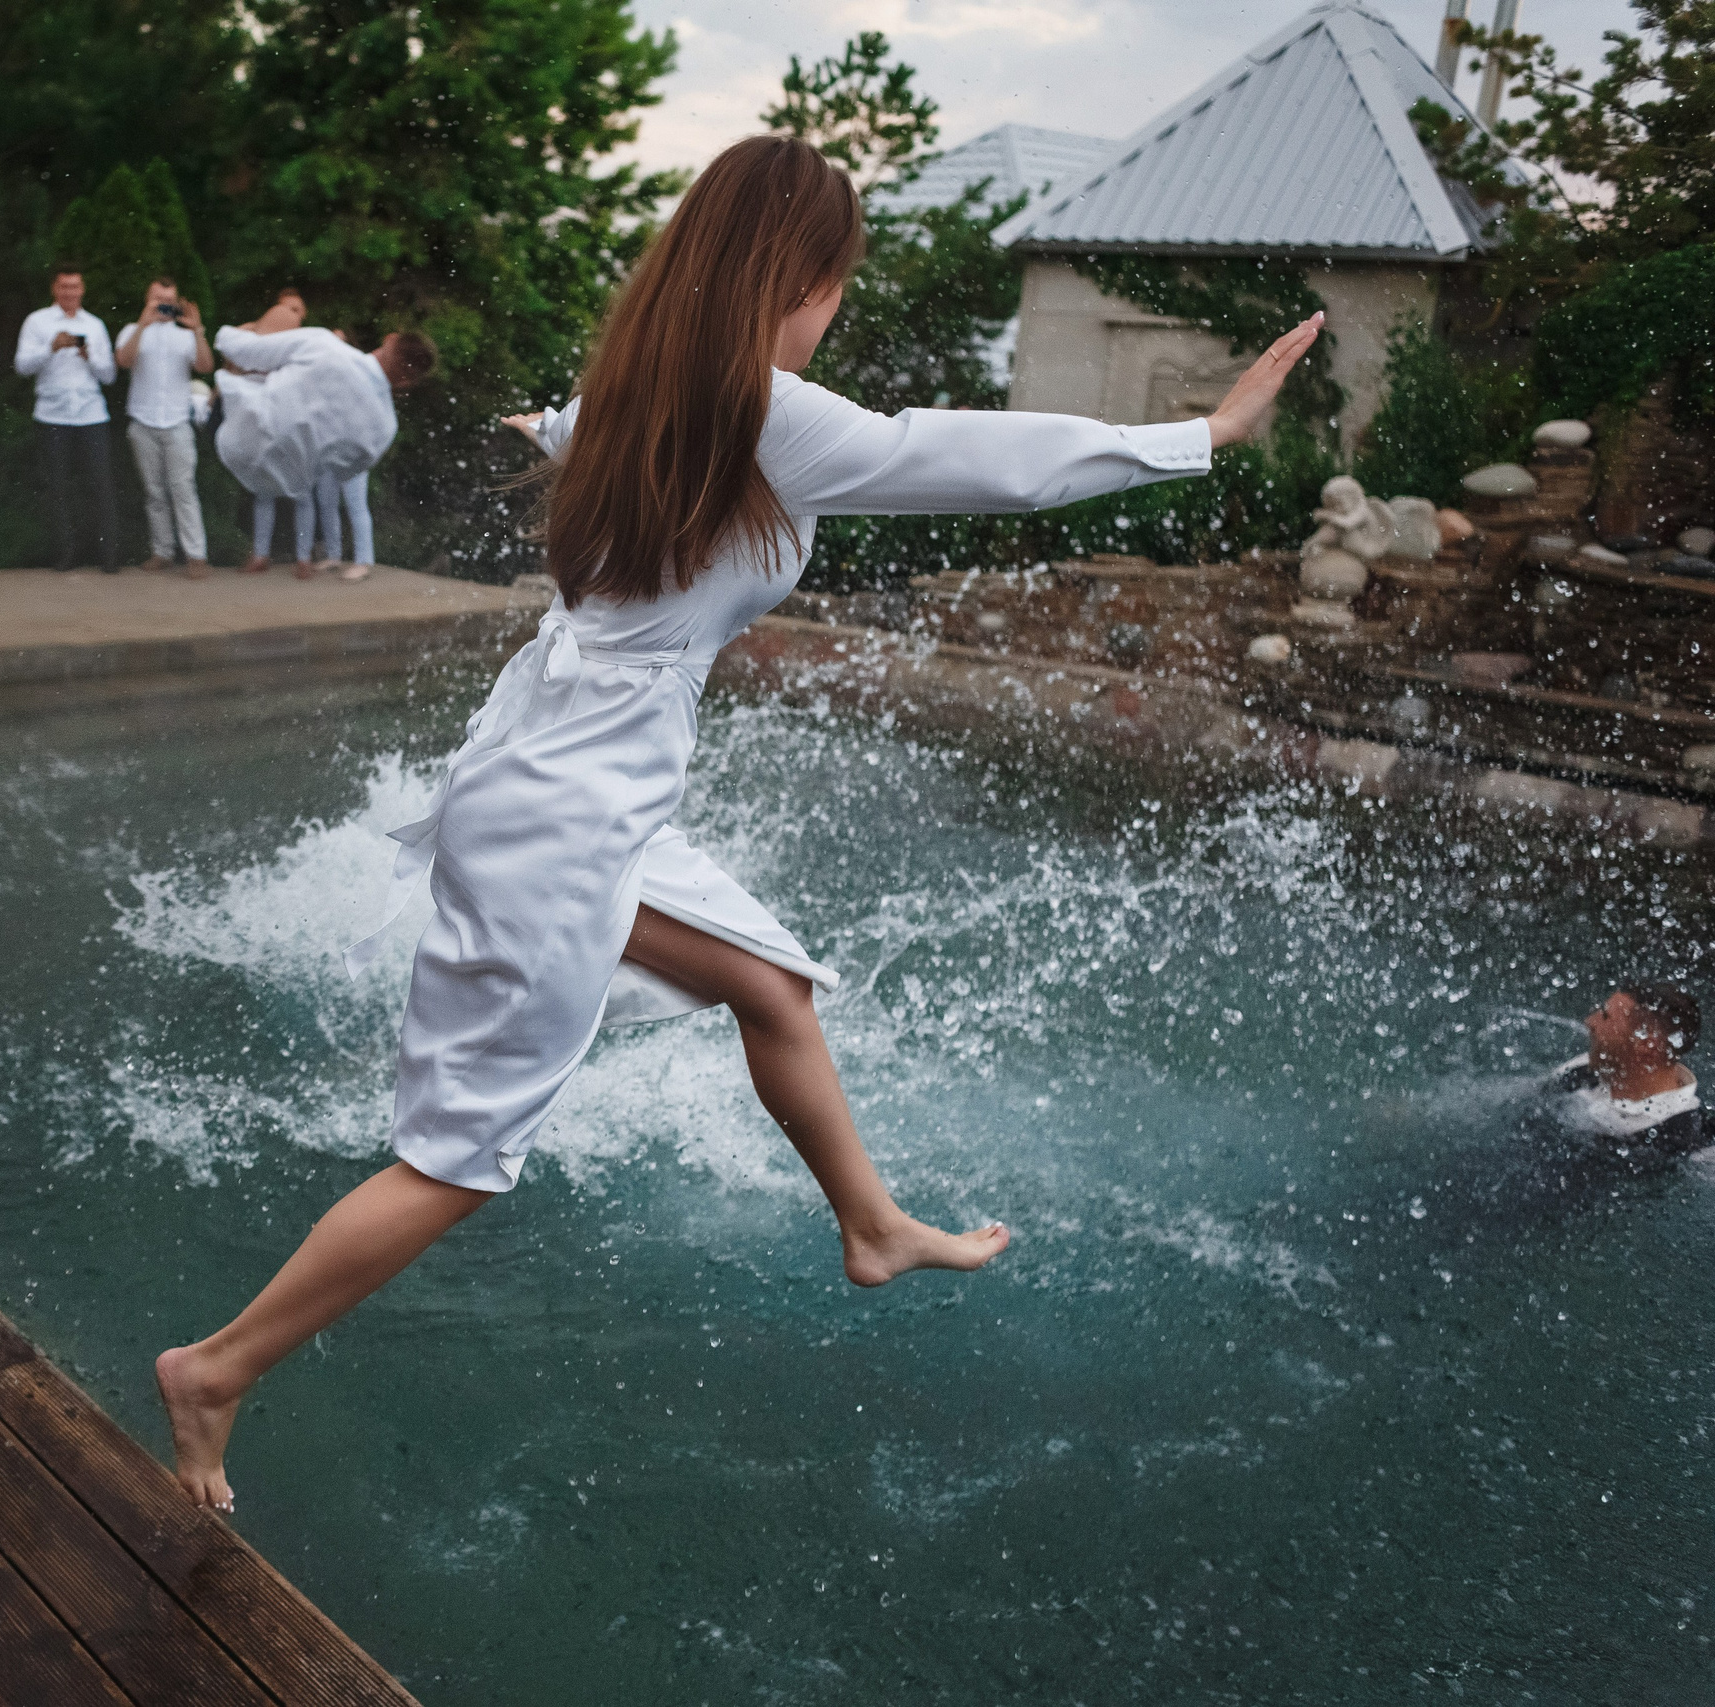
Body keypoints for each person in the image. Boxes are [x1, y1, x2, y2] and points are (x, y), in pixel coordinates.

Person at [153, 135, 1326, 1512]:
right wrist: (1205, 429)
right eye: (835, 280)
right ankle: (218, 1366)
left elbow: (574, 434)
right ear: (795, 275)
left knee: (771, 986)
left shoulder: (646, 392)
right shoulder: (763, 410)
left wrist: (535, 429)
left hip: (578, 789)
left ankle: (874, 1224)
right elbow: (962, 459)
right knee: (458, 1156)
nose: (835, 307)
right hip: (564, 817)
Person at [212, 305, 433, 582]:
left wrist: (234, 333)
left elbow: (242, 350)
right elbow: (344, 471)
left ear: (388, 339)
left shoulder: (322, 343)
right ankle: (321, 554)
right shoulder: (385, 427)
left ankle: (330, 555)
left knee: (249, 369)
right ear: (406, 382)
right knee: (317, 481)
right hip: (284, 478)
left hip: (234, 440)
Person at [12, 266, 118, 574]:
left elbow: (109, 375)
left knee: (101, 486)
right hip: (52, 415)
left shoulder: (95, 325)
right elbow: (21, 366)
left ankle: (108, 556)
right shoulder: (37, 322)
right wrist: (51, 348)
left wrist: (90, 357)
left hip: (91, 414)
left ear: (82, 290)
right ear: (54, 290)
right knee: (57, 488)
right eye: (63, 287)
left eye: (74, 287)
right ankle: (65, 555)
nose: (69, 293)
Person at [114, 277, 213, 577]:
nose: (163, 305)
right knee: (154, 492)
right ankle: (162, 551)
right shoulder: (132, 331)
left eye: (168, 300)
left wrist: (196, 329)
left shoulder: (185, 336)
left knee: (184, 489)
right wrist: (143, 325)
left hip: (177, 422)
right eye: (157, 299)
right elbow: (124, 360)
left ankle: (196, 556)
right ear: (147, 299)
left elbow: (206, 366)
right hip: (143, 421)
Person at [1541, 983, 1705, 1158]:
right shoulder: (1580, 1069)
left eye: (1605, 1016)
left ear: (1646, 1044)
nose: (1590, 1021)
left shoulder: (1692, 1142)